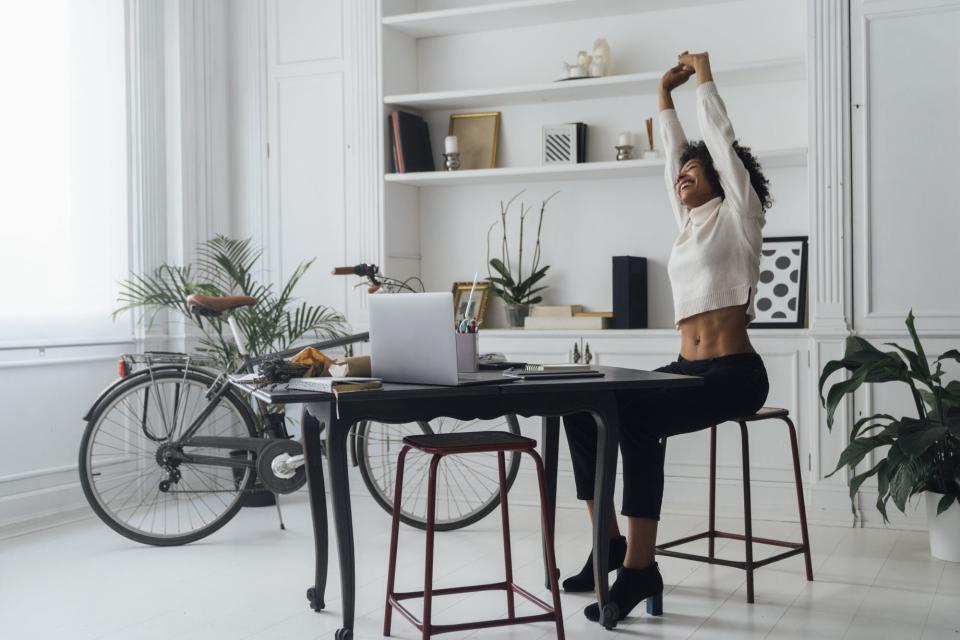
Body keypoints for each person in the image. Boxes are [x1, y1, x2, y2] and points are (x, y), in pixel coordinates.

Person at [562, 51, 773, 623]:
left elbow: (721, 144)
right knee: (581, 410)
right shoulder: (687, 227)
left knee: (635, 419)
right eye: (681, 171)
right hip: (684, 368)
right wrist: (661, 94)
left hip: (733, 373)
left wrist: (703, 78)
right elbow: (670, 156)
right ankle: (607, 544)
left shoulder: (740, 216)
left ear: (724, 183)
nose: (682, 174)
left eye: (694, 170)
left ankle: (639, 567)